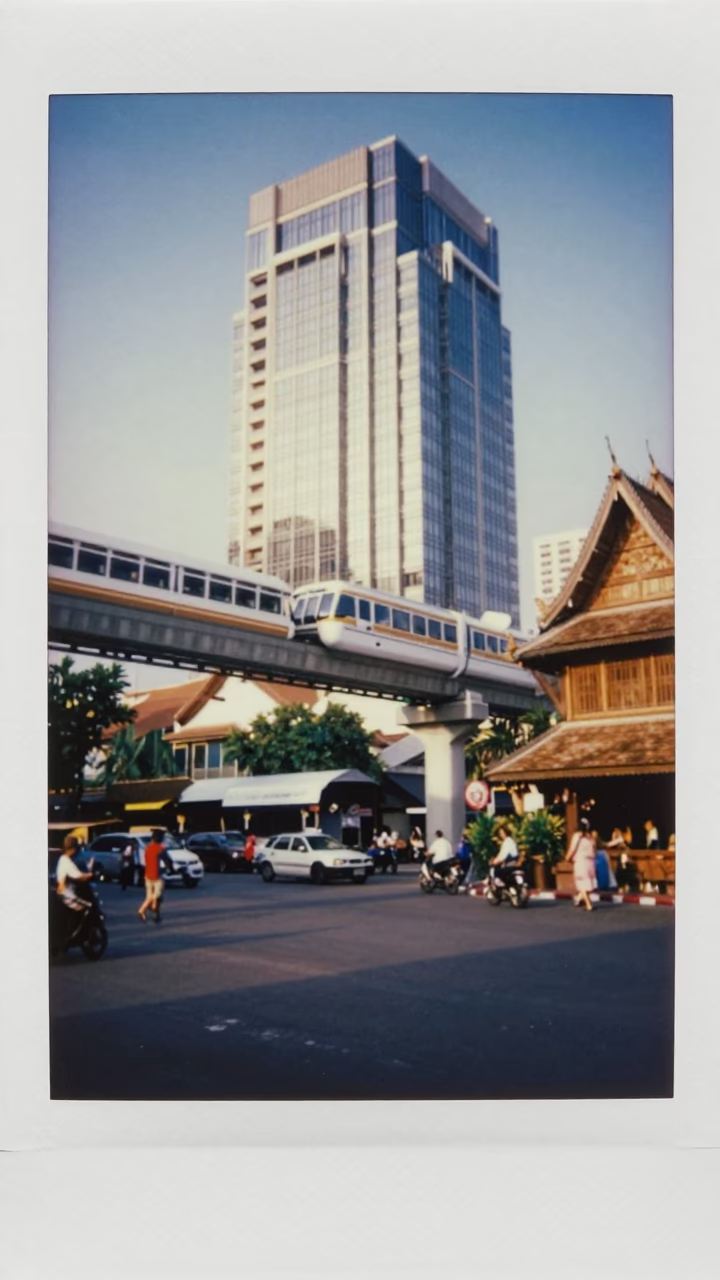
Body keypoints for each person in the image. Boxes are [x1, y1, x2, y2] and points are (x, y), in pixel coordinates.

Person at [55, 835, 95, 919]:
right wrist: (91, 874)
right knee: (89, 907)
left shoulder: (64, 859)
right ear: (73, 849)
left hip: (64, 893)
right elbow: (79, 876)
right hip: (67, 896)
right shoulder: (66, 861)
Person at [138, 829, 172, 924]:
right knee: (157, 896)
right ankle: (143, 910)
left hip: (147, 875)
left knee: (149, 897)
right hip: (157, 876)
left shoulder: (147, 848)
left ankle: (155, 914)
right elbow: (168, 860)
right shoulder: (160, 848)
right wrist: (170, 869)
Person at [567, 817, 597, 911]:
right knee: (588, 883)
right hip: (590, 862)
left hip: (580, 861)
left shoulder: (577, 836)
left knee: (582, 883)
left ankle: (588, 905)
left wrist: (567, 857)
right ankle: (579, 898)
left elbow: (572, 849)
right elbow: (594, 850)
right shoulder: (591, 837)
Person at [490, 825, 520, 890]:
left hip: (510, 864)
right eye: (500, 833)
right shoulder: (509, 841)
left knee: (496, 871)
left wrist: (494, 862)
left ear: (506, 832)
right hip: (511, 863)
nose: (501, 835)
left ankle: (502, 885)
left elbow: (502, 856)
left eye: (502, 833)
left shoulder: (507, 842)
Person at [607, 827, 636, 892]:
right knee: (620, 870)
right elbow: (612, 843)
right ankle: (621, 886)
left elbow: (611, 843)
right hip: (621, 859)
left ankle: (624, 885)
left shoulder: (621, 838)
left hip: (624, 859)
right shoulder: (618, 838)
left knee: (623, 870)